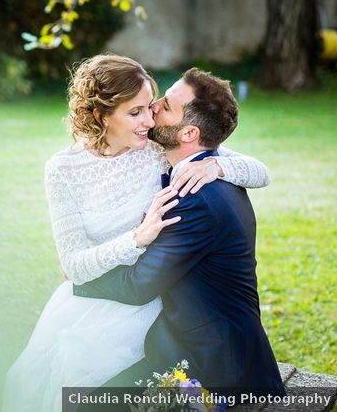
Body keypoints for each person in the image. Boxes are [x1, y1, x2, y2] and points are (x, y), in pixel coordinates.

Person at [3, 55, 271, 412]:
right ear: (101, 115)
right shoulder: (62, 171)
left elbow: (258, 170)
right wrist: (135, 239)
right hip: (95, 298)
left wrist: (217, 165)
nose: (149, 120)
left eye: (150, 107)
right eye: (135, 112)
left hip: (153, 299)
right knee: (60, 382)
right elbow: (72, 265)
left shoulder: (156, 147)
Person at [71, 68, 285, 405]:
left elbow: (139, 285)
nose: (153, 106)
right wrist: (218, 165)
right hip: (192, 336)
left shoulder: (195, 198)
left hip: (218, 367)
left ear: (188, 133)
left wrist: (76, 280)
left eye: (166, 106)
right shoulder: (201, 168)